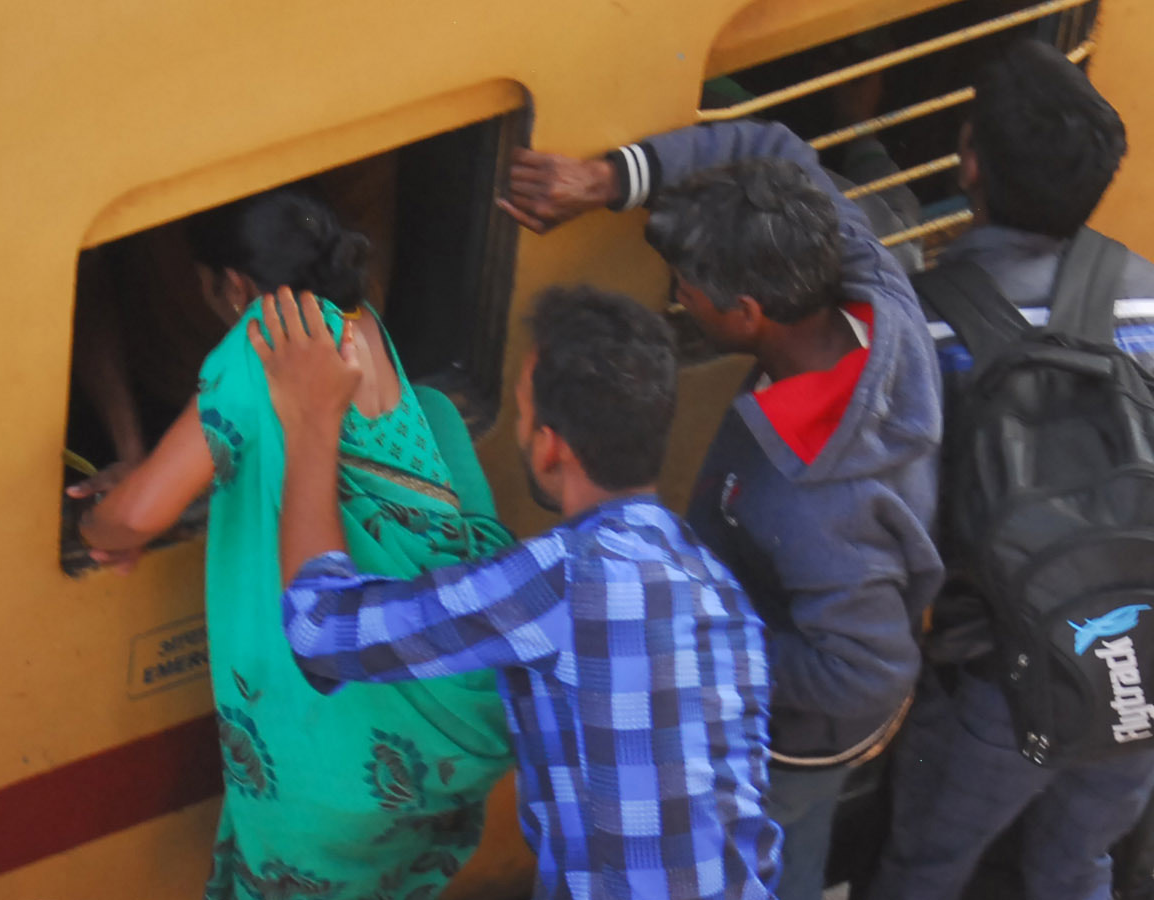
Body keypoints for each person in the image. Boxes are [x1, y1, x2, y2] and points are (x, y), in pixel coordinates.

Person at [499, 118, 944, 900]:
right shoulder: (862, 278)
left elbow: (866, 672)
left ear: (745, 314)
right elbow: (777, 149)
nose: (678, 300)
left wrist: (692, 643)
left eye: (689, 293)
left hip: (788, 745)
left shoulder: (813, 498)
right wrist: (608, 180)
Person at [254, 284, 782, 900]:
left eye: (523, 411)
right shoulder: (718, 593)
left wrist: (312, 422)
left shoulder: (564, 579)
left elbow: (320, 632)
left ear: (551, 445)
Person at [77, 188, 516, 900]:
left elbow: (138, 516)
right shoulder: (362, 323)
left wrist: (98, 526)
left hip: (337, 745)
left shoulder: (263, 343)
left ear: (237, 286)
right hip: (436, 732)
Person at [863, 39, 1154, 900]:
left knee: (925, 869)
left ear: (967, 163)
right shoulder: (1147, 293)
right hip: (1136, 663)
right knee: (1078, 865)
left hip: (992, 684)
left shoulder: (923, 327)